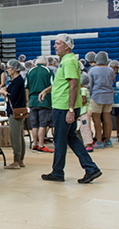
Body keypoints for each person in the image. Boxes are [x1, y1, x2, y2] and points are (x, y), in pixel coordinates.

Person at [39, 34, 102, 183]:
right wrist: (47, 90)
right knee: (70, 137)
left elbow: (74, 85)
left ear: (67, 46)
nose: (55, 46)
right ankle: (91, 168)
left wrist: (71, 109)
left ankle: (58, 172)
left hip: (64, 107)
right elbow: (62, 84)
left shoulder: (68, 62)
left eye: (58, 43)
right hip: (63, 105)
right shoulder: (65, 61)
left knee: (60, 139)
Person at [1, 59, 27, 170]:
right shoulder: (17, 81)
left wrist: (4, 92)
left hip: (15, 111)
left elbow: (13, 97)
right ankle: (20, 159)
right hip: (20, 110)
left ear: (15, 68)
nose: (7, 70)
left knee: (15, 137)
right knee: (19, 136)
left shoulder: (17, 81)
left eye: (9, 68)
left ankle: (16, 161)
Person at [27, 57, 54, 153]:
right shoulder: (48, 71)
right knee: (43, 124)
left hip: (32, 100)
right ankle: (41, 145)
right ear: (45, 62)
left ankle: (35, 144)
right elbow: (53, 85)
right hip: (44, 100)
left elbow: (26, 87)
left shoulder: (30, 71)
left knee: (34, 125)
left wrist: (27, 101)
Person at [88, 51, 115, 149]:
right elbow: (112, 81)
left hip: (96, 96)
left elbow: (90, 85)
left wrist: (89, 95)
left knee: (96, 120)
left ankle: (99, 141)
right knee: (107, 119)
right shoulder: (111, 70)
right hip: (109, 96)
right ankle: (107, 140)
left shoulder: (93, 70)